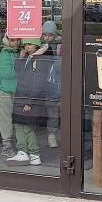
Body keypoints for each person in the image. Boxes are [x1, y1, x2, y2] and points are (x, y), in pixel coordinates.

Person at [5, 37, 52, 167]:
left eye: (30, 44)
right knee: (19, 125)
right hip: (22, 97)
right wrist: (21, 57)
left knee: (27, 127)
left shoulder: (40, 59)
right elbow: (17, 70)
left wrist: (30, 102)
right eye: (25, 45)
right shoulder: (28, 57)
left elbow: (39, 83)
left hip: (29, 98)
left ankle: (33, 153)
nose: (27, 47)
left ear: (37, 45)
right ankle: (23, 152)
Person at [0, 34, 20, 157]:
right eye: (13, 40)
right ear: (7, 40)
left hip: (15, 90)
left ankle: (18, 144)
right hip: (6, 90)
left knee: (14, 119)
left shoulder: (18, 52)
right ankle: (7, 146)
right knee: (6, 119)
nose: (16, 42)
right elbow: (6, 73)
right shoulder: (5, 53)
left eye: (18, 40)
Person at [42, 20, 62, 148]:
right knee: (52, 113)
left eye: (50, 35)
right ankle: (52, 135)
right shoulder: (40, 46)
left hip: (59, 82)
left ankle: (60, 135)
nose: (47, 37)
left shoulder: (61, 44)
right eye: (45, 35)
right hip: (48, 84)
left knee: (62, 111)